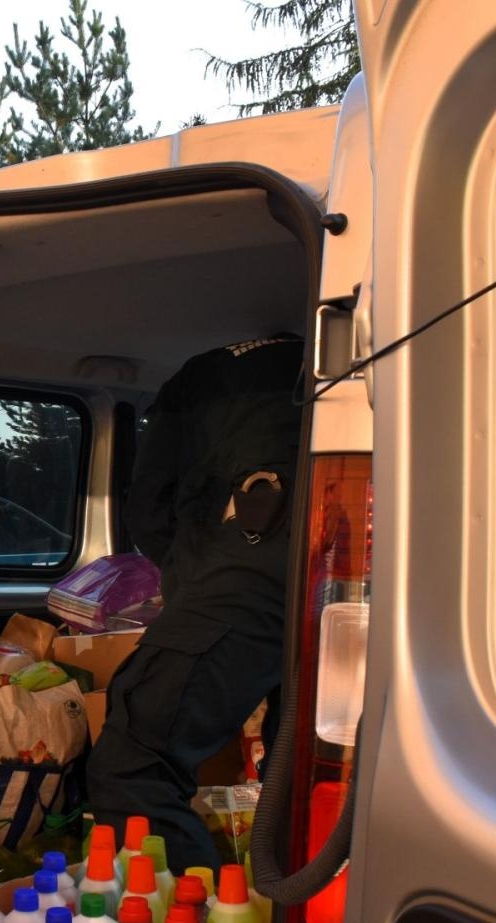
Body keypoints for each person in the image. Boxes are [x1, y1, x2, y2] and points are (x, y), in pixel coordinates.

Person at [87, 337, 303, 877]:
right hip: (323, 553)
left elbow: (151, 510)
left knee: (136, 759)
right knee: (298, 752)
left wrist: (192, 589)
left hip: (254, 549)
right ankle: (276, 905)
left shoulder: (193, 381)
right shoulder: (330, 367)